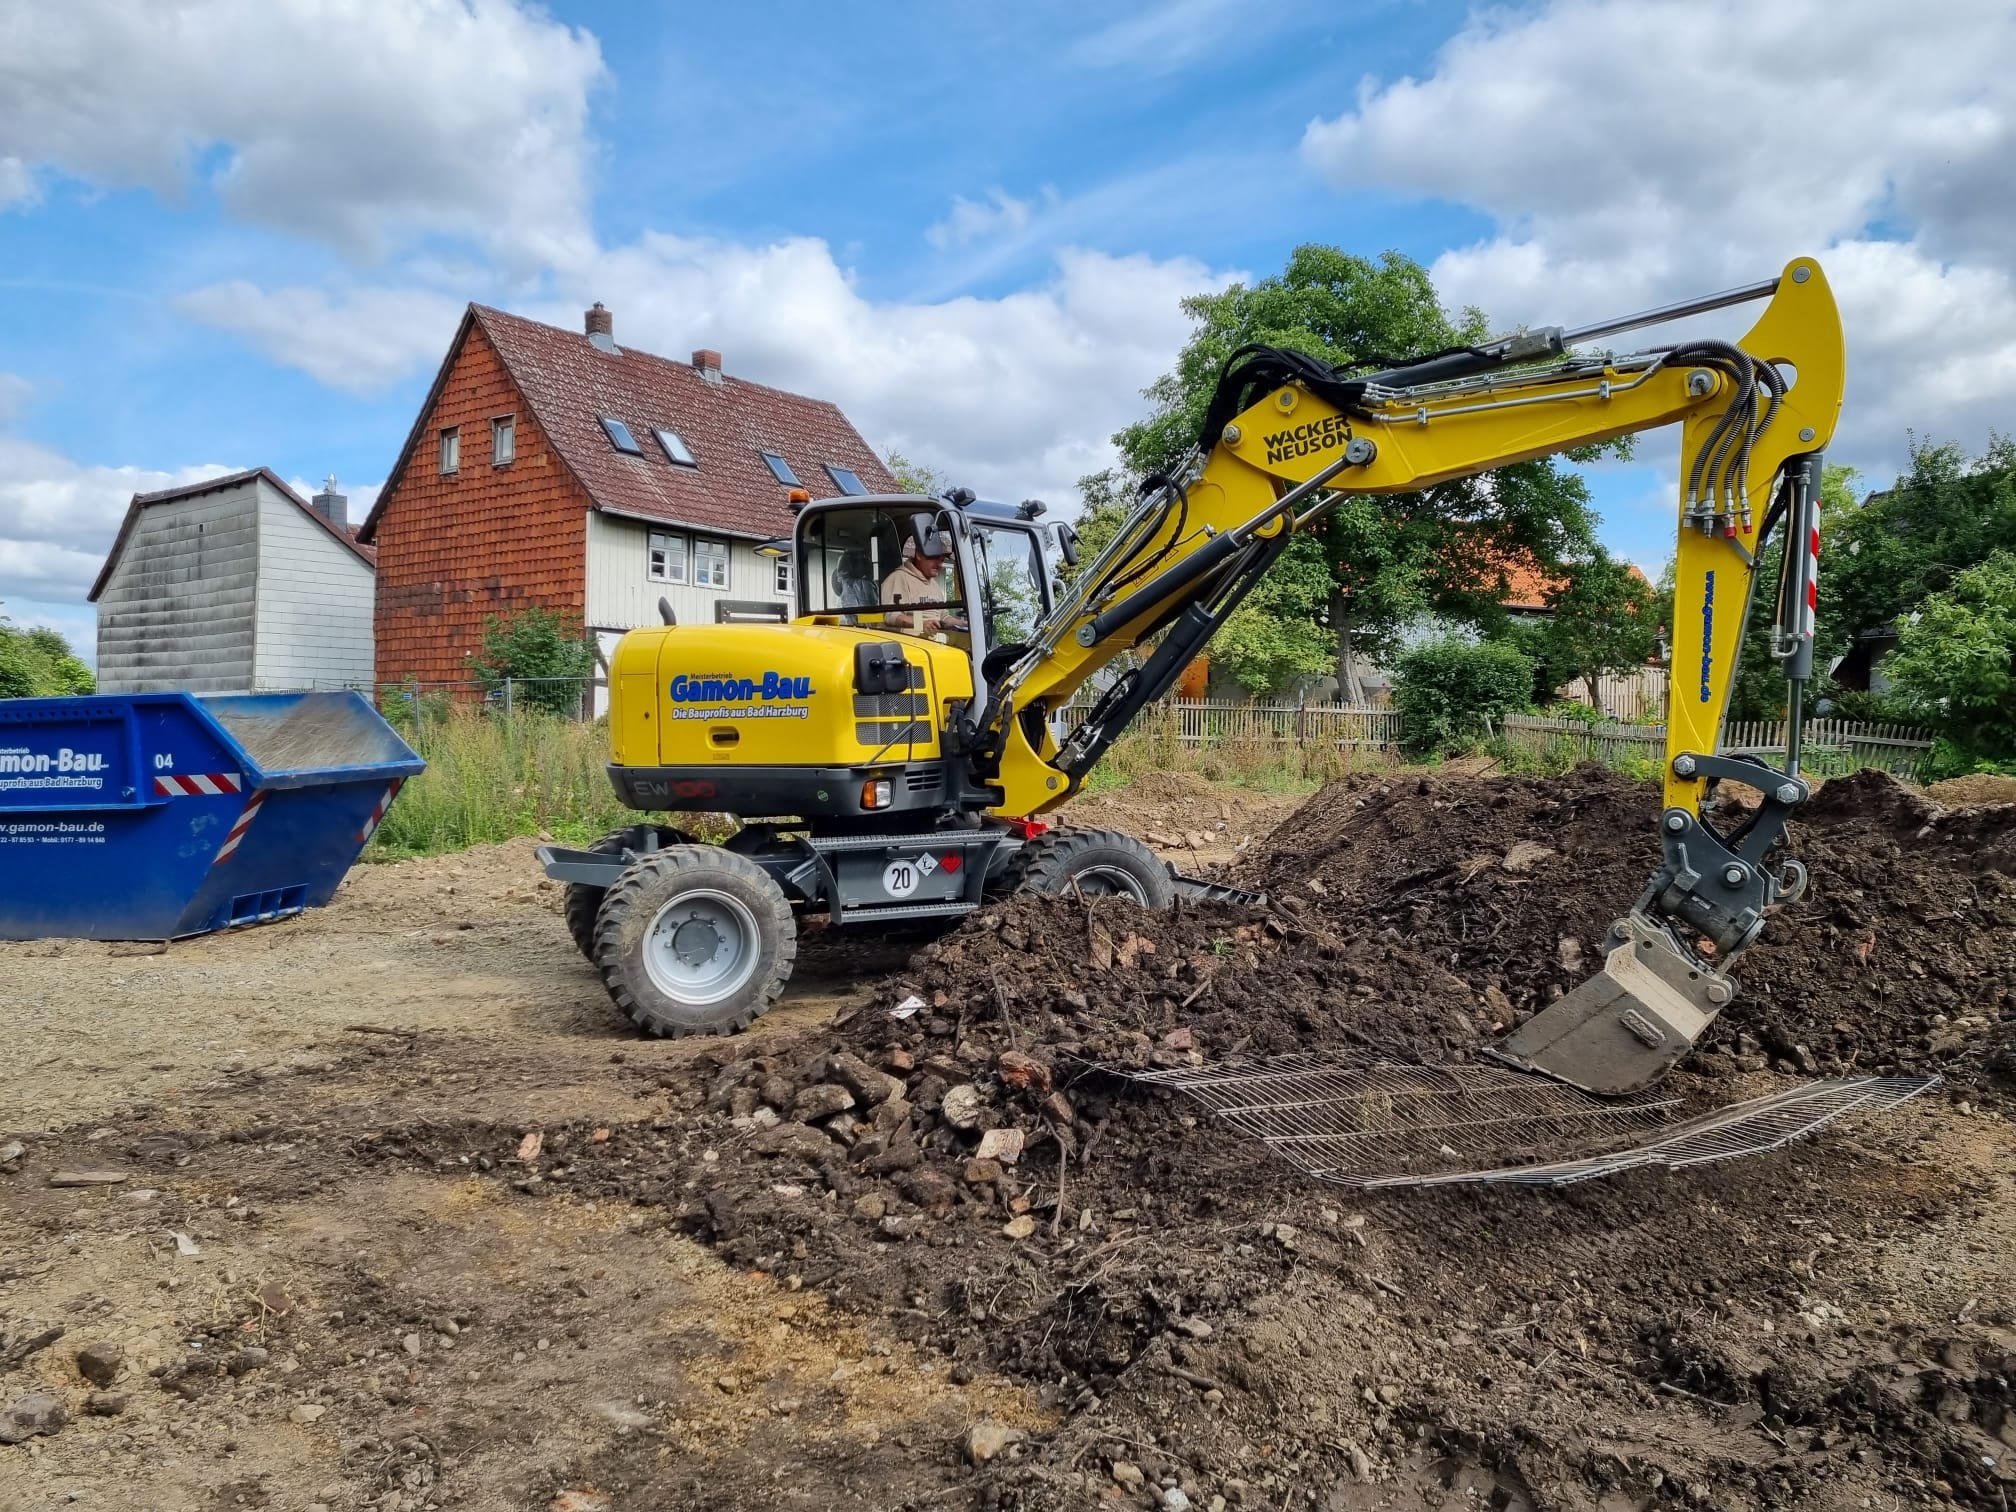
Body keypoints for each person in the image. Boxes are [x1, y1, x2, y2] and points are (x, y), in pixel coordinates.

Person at [881, 526, 967, 636]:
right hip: (909, 647)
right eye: (935, 559)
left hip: (936, 646)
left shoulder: (934, 586)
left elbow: (943, 617)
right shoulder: (898, 579)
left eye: (941, 560)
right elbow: (890, 617)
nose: (940, 565)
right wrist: (920, 623)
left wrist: (961, 623)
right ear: (919, 555)